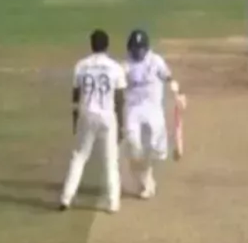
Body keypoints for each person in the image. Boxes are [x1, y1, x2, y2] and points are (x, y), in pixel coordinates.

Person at [60, 29, 126, 213]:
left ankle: (66, 198)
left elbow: (75, 96)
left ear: (91, 45)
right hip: (107, 116)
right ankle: (113, 202)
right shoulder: (115, 67)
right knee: (110, 160)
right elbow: (120, 99)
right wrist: (120, 125)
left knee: (79, 157)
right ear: (107, 45)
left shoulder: (81, 65)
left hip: (86, 114)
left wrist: (75, 120)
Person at [122, 29, 186, 199]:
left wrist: (177, 91)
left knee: (154, 149)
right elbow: (117, 85)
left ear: (146, 48)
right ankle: (146, 182)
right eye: (135, 49)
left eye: (141, 48)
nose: (138, 52)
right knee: (134, 147)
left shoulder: (155, 61)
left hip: (153, 109)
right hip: (133, 109)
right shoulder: (126, 65)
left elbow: (169, 77)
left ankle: (148, 180)